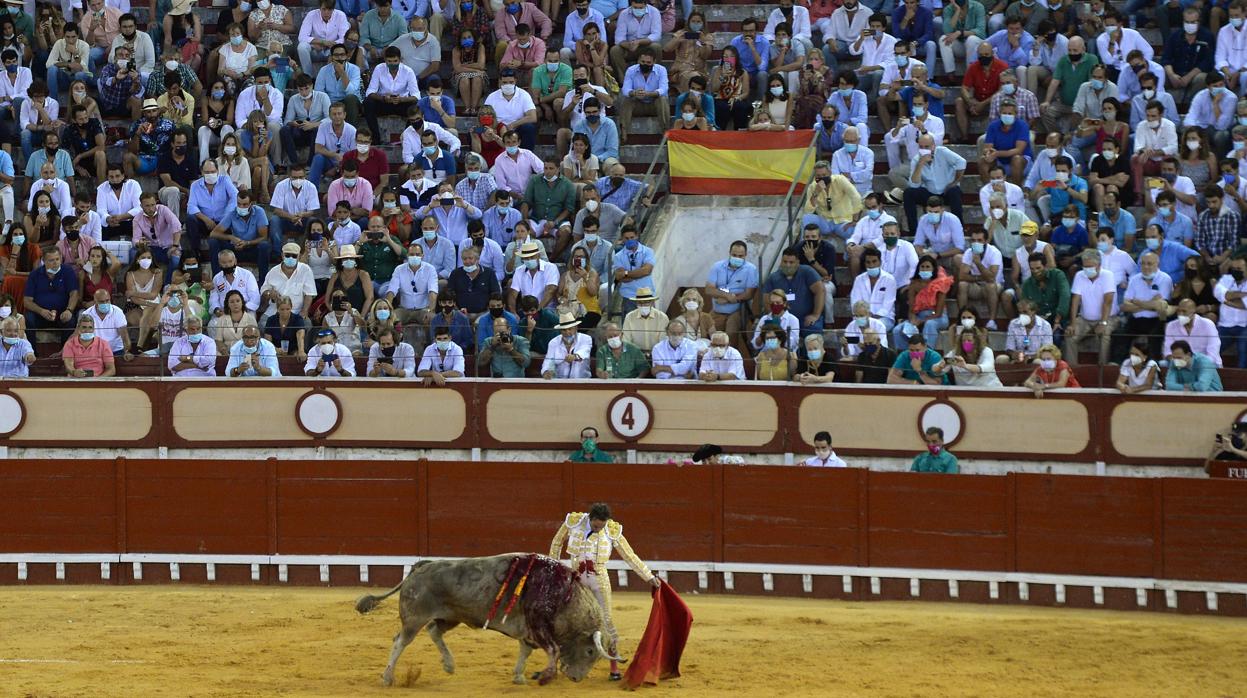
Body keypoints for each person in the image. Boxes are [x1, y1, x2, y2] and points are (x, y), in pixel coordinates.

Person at [548, 502, 659, 681]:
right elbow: (556, 543)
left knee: (606, 621)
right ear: (590, 519)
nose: (599, 529)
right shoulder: (574, 522)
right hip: (577, 581)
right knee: (570, 621)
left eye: (602, 526)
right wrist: (554, 568)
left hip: (599, 581)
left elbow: (629, 556)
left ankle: (614, 668)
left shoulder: (611, 530)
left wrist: (649, 577)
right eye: (596, 526)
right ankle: (563, 662)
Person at [1214, 258, 1247, 368]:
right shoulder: (1226, 278)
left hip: (1244, 326)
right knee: (1212, 348)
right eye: (1233, 268)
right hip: (1224, 325)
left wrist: (1226, 299)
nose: (1235, 271)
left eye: (1239, 269)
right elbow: (1218, 293)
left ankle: (1242, 380)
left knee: (1243, 349)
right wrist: (1241, 295)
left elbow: (1244, 305)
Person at [61, 313, 115, 377]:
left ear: (93, 329)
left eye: (90, 327)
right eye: (84, 327)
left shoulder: (103, 344)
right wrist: (74, 372)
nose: (87, 330)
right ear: (78, 328)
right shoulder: (69, 344)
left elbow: (111, 369)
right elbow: (69, 366)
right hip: (76, 379)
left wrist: (98, 380)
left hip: (98, 380)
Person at [541, 312, 592, 379]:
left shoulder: (586, 338)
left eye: (570, 329)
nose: (567, 332)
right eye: (564, 330)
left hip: (582, 381)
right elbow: (548, 360)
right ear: (560, 331)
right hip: (560, 381)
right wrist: (546, 371)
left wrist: (574, 356)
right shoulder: (553, 342)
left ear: (576, 328)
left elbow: (585, 351)